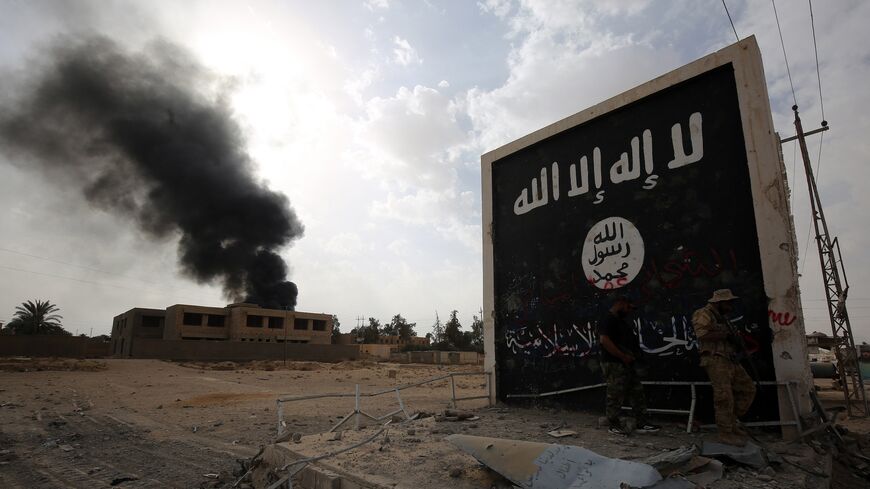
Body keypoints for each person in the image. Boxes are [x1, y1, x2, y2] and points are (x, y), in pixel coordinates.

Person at [692, 289, 756, 445]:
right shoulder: (704, 313)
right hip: (715, 359)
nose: (730, 306)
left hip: (730, 359)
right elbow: (702, 335)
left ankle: (732, 422)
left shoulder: (723, 318)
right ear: (719, 302)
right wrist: (726, 335)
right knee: (724, 397)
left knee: (748, 389)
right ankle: (725, 432)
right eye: (728, 303)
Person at [599, 295, 661, 435]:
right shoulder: (608, 320)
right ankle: (613, 424)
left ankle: (641, 422)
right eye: (628, 307)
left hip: (627, 363)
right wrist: (622, 356)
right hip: (615, 363)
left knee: (637, 392)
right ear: (620, 303)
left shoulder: (620, 322)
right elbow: (604, 340)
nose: (629, 311)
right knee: (615, 394)